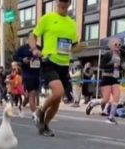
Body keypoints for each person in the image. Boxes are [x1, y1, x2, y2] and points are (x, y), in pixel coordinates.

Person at [29, 0, 84, 136]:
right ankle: (40, 110)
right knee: (58, 92)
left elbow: (73, 47)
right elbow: (33, 36)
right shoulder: (47, 18)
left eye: (65, 5)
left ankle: (44, 125)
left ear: (69, 4)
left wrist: (80, 47)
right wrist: (34, 49)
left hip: (64, 64)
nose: (62, 7)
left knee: (57, 101)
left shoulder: (71, 24)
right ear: (56, 3)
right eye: (60, 4)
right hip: (49, 61)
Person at [86, 38, 122, 124]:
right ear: (111, 46)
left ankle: (110, 117)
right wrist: (112, 66)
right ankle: (93, 103)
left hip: (115, 79)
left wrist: (120, 68)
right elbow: (101, 66)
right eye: (115, 44)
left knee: (117, 97)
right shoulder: (108, 54)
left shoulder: (119, 55)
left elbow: (118, 67)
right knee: (105, 100)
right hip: (106, 78)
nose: (118, 46)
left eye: (119, 45)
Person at [13, 31, 41, 121]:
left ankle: (21, 106)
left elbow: (44, 58)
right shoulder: (23, 49)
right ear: (27, 39)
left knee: (29, 96)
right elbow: (14, 57)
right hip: (27, 74)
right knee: (32, 94)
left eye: (35, 38)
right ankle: (34, 115)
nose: (33, 40)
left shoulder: (39, 48)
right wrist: (22, 59)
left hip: (37, 74)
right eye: (32, 38)